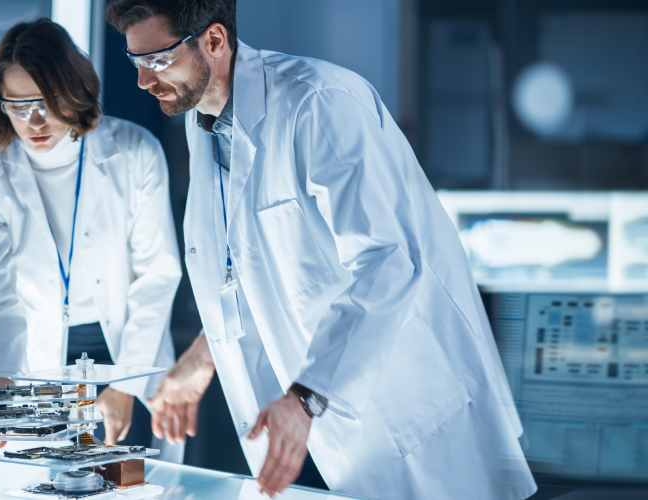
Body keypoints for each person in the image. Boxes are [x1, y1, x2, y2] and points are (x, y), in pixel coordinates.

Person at [107, 1, 538, 499]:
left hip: (395, 405)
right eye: (136, 63)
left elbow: (388, 263)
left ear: (215, 41)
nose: (144, 82)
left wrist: (307, 398)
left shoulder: (318, 102)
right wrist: (202, 360)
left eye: (157, 61)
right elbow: (253, 266)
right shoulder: (203, 122)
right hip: (309, 419)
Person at [0, 18, 181, 448]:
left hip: (126, 347)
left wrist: (127, 383)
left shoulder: (135, 152)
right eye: (18, 106)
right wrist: (3, 391)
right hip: (34, 358)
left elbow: (157, 276)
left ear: (73, 90)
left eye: (47, 101)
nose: (35, 120)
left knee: (134, 483)